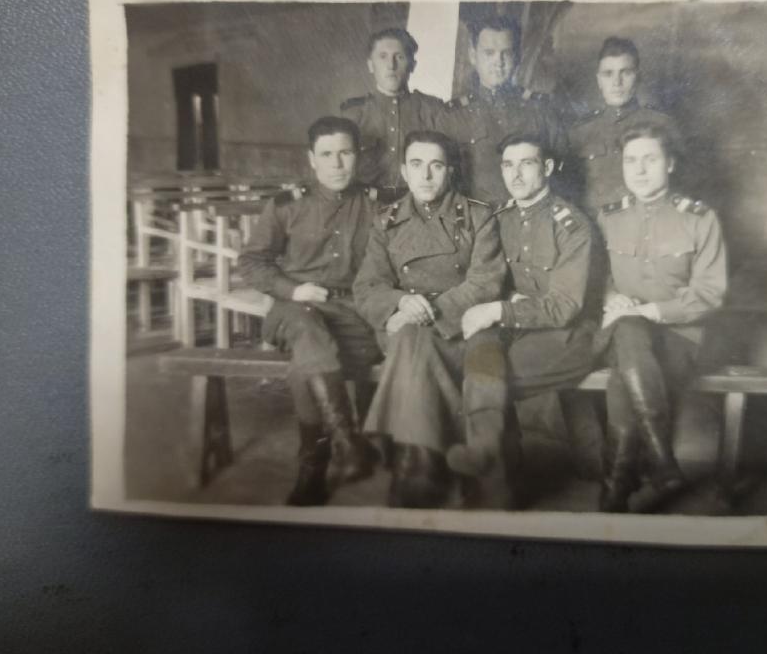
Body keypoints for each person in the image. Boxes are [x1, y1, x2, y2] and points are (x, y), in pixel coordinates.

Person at [353, 130, 508, 508]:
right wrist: (399, 303)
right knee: (410, 337)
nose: (425, 176)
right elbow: (368, 285)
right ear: (404, 171)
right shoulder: (386, 220)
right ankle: (429, 460)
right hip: (404, 322)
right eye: (417, 165)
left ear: (450, 171)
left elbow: (486, 282)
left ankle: (415, 461)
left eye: (436, 166)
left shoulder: (477, 215)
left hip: (462, 324)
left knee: (414, 340)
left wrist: (431, 313)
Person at [238, 116, 381, 506]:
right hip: (295, 307)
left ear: (358, 156)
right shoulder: (288, 205)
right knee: (306, 327)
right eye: (327, 154)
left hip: (353, 313)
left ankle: (315, 464)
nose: (337, 164)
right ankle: (344, 443)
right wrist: (293, 288)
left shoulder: (376, 204)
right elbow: (251, 262)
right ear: (312, 159)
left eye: (345, 153)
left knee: (308, 356)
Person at [451, 132, 599, 495]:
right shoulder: (496, 219)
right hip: (510, 326)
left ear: (546, 167)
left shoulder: (572, 225)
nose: (515, 175)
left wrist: (501, 308)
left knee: (493, 377)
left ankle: (499, 470)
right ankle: (495, 462)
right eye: (508, 165)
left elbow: (564, 307)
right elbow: (481, 279)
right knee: (479, 352)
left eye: (526, 164)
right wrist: (499, 307)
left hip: (565, 333)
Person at [594, 119, 727, 513]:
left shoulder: (700, 219)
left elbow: (710, 293)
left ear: (670, 163)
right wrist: (611, 298)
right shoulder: (607, 218)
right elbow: (595, 279)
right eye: (630, 160)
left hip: (678, 337)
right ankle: (660, 461)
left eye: (649, 159)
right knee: (628, 331)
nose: (638, 169)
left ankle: (618, 484)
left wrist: (651, 310)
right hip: (619, 331)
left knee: (625, 369)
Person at [440, 15, 565, 206]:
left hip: (527, 216)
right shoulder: (453, 116)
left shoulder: (540, 109)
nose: (498, 62)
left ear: (517, 57)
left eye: (506, 53)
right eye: (489, 53)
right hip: (474, 218)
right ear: (473, 56)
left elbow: (561, 172)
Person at [567, 37, 674, 214]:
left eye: (625, 73)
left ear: (638, 77)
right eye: (608, 74)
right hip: (595, 226)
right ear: (599, 81)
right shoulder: (580, 132)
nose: (616, 83)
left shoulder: (662, 125)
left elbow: (679, 188)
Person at [340, 28, 447, 203]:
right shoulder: (353, 113)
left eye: (399, 57)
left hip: (416, 203)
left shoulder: (432, 110)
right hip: (366, 203)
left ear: (412, 65)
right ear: (370, 65)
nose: (391, 65)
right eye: (383, 57)